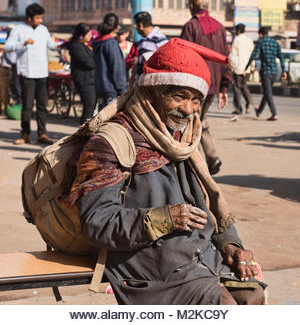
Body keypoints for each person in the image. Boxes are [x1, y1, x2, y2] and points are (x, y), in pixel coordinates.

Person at [64, 38, 266, 305]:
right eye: (178, 96)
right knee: (222, 306)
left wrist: (232, 246)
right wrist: (163, 219)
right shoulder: (110, 142)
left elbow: (207, 211)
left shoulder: (181, 139)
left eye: (195, 100)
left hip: (201, 258)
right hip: (152, 271)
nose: (188, 109)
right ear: (151, 92)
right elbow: (96, 223)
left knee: (254, 294)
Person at [181, 0, 232, 175]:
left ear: (193, 4)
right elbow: (226, 57)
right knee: (200, 119)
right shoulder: (219, 27)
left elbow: (184, 57)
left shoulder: (191, 26)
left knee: (192, 122)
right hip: (214, 84)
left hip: (196, 84)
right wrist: (224, 87)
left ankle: (197, 163)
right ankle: (211, 158)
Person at [4, 3, 58, 145]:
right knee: (27, 106)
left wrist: (64, 44)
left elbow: (51, 45)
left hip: (42, 73)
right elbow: (8, 47)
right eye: (38, 17)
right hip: (27, 73)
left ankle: (42, 134)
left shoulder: (43, 29)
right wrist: (23, 43)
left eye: (41, 17)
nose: (41, 20)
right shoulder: (19, 30)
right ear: (29, 18)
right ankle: (25, 134)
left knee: (42, 105)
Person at [245, 27, 287, 121]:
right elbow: (281, 57)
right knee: (267, 92)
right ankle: (259, 111)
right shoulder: (275, 43)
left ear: (260, 34)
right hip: (274, 72)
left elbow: (253, 55)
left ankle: (274, 114)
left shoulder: (261, 42)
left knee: (268, 93)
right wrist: (284, 71)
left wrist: (246, 68)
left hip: (265, 72)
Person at [93, 13, 127, 112]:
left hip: (100, 89)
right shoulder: (111, 43)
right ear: (117, 27)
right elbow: (116, 69)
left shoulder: (97, 43)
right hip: (111, 91)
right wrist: (122, 90)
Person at [68, 23, 96, 125]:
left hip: (89, 80)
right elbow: (89, 63)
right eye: (88, 35)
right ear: (81, 36)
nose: (90, 37)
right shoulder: (76, 47)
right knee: (89, 107)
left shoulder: (83, 46)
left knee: (91, 107)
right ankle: (83, 133)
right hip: (84, 81)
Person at [133, 11, 168, 77]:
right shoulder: (142, 41)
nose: (136, 29)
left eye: (136, 26)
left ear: (140, 25)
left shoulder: (160, 39)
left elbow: (166, 60)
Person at [230, 23, 254, 115]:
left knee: (237, 88)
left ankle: (238, 108)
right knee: (243, 86)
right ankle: (249, 102)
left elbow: (233, 55)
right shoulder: (249, 40)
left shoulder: (236, 40)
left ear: (238, 30)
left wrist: (232, 66)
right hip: (247, 69)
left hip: (238, 68)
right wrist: (252, 66)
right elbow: (253, 54)